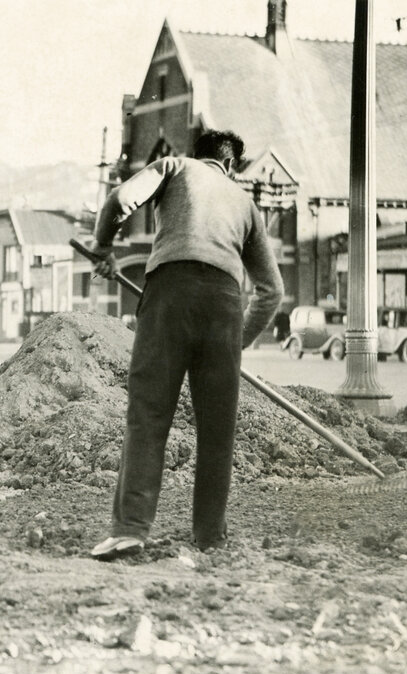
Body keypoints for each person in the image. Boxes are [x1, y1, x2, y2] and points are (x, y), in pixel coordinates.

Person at [88, 129, 284, 561]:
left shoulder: (175, 167)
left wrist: (102, 247)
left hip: (169, 295)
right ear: (230, 165)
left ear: (198, 155)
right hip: (224, 305)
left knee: (148, 415)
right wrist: (236, 342)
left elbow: (120, 199)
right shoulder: (246, 204)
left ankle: (130, 530)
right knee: (217, 431)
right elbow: (272, 291)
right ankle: (210, 536)